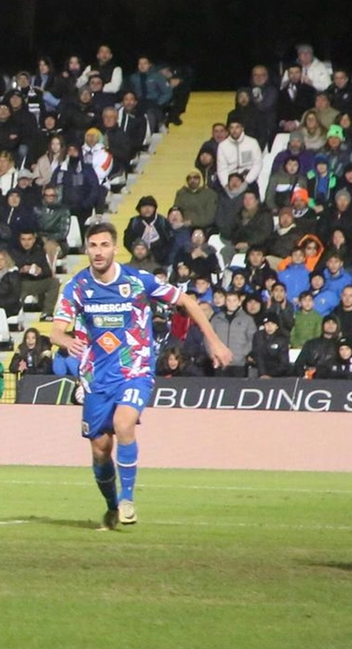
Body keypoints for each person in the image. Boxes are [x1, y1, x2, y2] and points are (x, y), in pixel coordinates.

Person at [50, 223, 231, 528]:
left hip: (135, 370)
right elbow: (56, 330)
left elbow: (186, 301)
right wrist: (65, 339)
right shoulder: (77, 286)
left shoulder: (137, 280)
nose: (98, 251)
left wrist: (214, 340)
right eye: (93, 245)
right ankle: (111, 505)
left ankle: (127, 499)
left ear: (114, 248)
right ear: (86, 249)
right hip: (96, 377)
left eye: (104, 245)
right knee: (100, 450)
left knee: (124, 423)